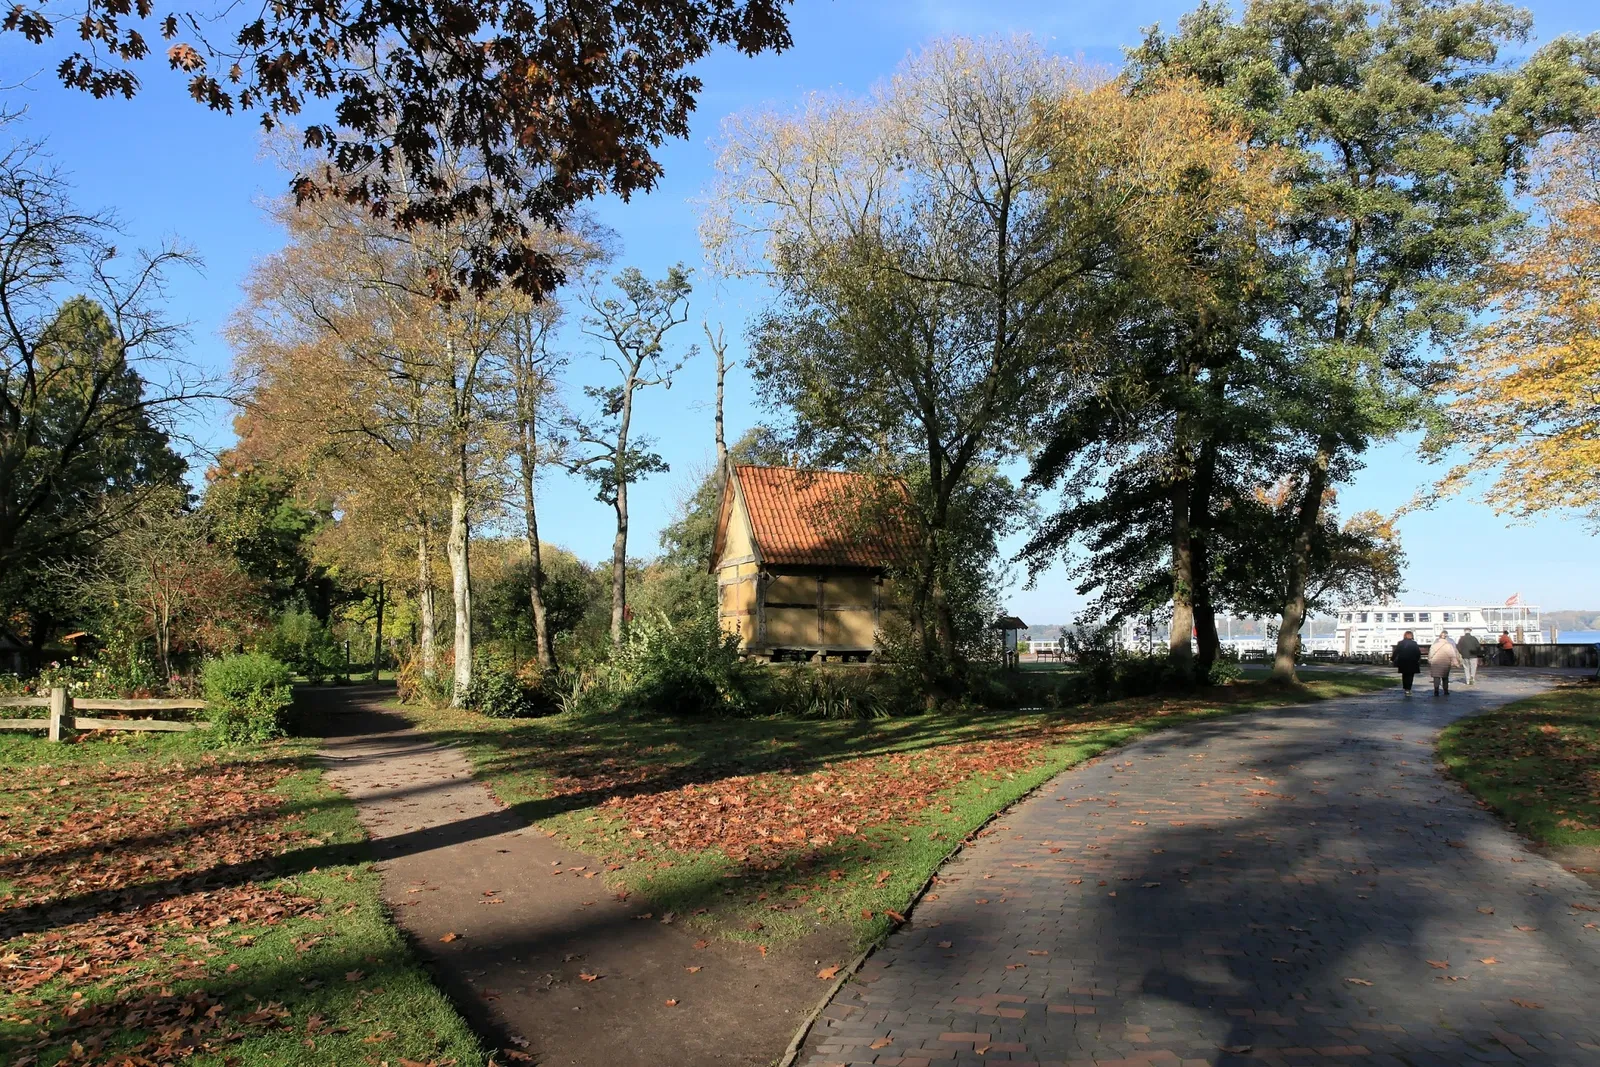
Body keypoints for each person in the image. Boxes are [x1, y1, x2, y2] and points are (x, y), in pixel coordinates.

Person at [1429, 630, 1463, 696]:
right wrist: (1456, 664)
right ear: (1446, 638)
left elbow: (1430, 654)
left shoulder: (1434, 645)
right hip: (1445, 663)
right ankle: (1446, 691)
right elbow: (1452, 655)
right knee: (1445, 677)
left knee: (1436, 677)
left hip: (1435, 663)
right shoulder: (1449, 646)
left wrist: (1430, 661)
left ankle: (1436, 691)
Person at [1392, 630, 1422, 697]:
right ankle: (1409, 688)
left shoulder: (1400, 643)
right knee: (1410, 676)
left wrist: (1393, 659)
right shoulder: (1414, 643)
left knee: (1404, 675)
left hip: (1403, 661)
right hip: (1412, 661)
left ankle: (1405, 688)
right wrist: (1417, 659)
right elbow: (1418, 653)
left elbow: (1396, 652)